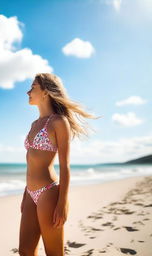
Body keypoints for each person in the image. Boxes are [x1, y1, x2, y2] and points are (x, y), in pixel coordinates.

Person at [18, 73, 100, 256]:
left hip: (49, 191)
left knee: (54, 253)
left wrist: (63, 202)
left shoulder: (58, 122)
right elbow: (31, 162)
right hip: (30, 193)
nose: (28, 91)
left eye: (33, 87)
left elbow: (65, 165)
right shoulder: (34, 124)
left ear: (46, 92)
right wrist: (26, 192)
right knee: (25, 251)